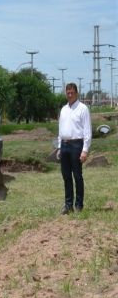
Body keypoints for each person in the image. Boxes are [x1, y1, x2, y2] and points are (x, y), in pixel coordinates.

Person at [57, 83, 91, 214]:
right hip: (64, 145)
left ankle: (79, 205)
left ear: (76, 93)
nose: (69, 94)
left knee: (77, 176)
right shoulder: (64, 109)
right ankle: (68, 205)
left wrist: (85, 150)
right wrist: (59, 147)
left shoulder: (83, 109)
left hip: (77, 145)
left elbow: (87, 131)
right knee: (66, 176)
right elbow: (60, 130)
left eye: (72, 92)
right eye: (67, 92)